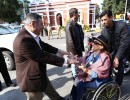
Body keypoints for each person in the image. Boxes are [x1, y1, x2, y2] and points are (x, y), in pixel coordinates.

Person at [13, 13, 78, 100]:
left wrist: (60, 51)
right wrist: (67, 61)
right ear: (32, 24)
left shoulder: (32, 34)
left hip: (39, 74)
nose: (43, 27)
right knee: (37, 97)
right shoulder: (23, 40)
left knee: (50, 91)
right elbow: (42, 56)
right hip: (32, 80)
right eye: (41, 24)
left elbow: (43, 45)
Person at [70, 35, 111, 100]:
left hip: (99, 80)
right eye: (93, 42)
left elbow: (95, 75)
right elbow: (83, 59)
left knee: (80, 84)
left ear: (101, 47)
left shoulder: (105, 58)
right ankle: (74, 97)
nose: (92, 43)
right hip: (89, 76)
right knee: (76, 80)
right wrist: (75, 59)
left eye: (95, 43)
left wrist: (85, 69)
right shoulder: (91, 53)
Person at [100, 10, 130, 86]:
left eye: (105, 19)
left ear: (111, 17)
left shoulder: (122, 26)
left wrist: (116, 58)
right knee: (107, 66)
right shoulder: (103, 31)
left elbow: (124, 44)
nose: (103, 22)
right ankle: (107, 83)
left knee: (120, 70)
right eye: (102, 20)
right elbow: (105, 46)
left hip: (123, 50)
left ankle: (117, 87)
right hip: (113, 50)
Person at [65, 8, 84, 78]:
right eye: (77, 13)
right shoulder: (69, 25)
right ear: (73, 14)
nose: (78, 15)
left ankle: (78, 75)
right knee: (74, 64)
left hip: (79, 49)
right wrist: (74, 54)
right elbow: (70, 42)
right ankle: (75, 76)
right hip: (74, 51)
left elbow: (81, 36)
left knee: (79, 64)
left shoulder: (77, 25)